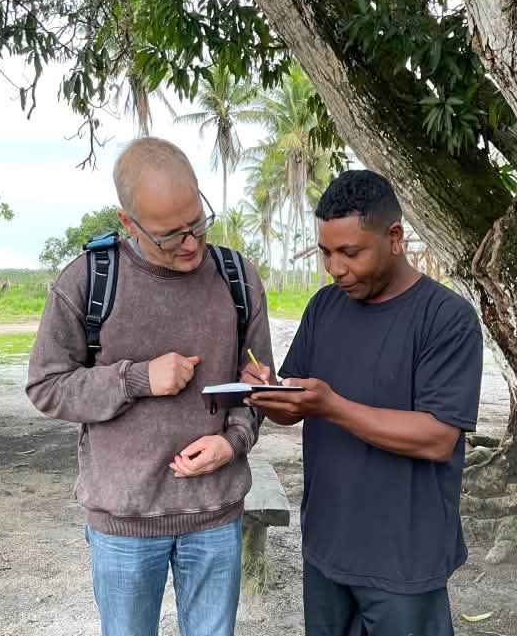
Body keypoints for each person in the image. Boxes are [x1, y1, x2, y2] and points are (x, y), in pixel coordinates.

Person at [27, 137, 274, 636]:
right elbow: (47, 385)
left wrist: (234, 441)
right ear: (128, 223)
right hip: (125, 522)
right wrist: (136, 379)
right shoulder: (88, 281)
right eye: (169, 235)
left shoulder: (237, 277)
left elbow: (256, 383)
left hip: (216, 515)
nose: (191, 244)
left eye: (197, 223)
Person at [243, 170, 483, 636]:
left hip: (403, 557)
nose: (335, 268)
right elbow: (293, 408)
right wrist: (267, 391)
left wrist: (332, 406)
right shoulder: (324, 307)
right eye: (326, 252)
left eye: (350, 253)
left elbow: (437, 438)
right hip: (327, 545)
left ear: (394, 238)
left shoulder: (446, 318)